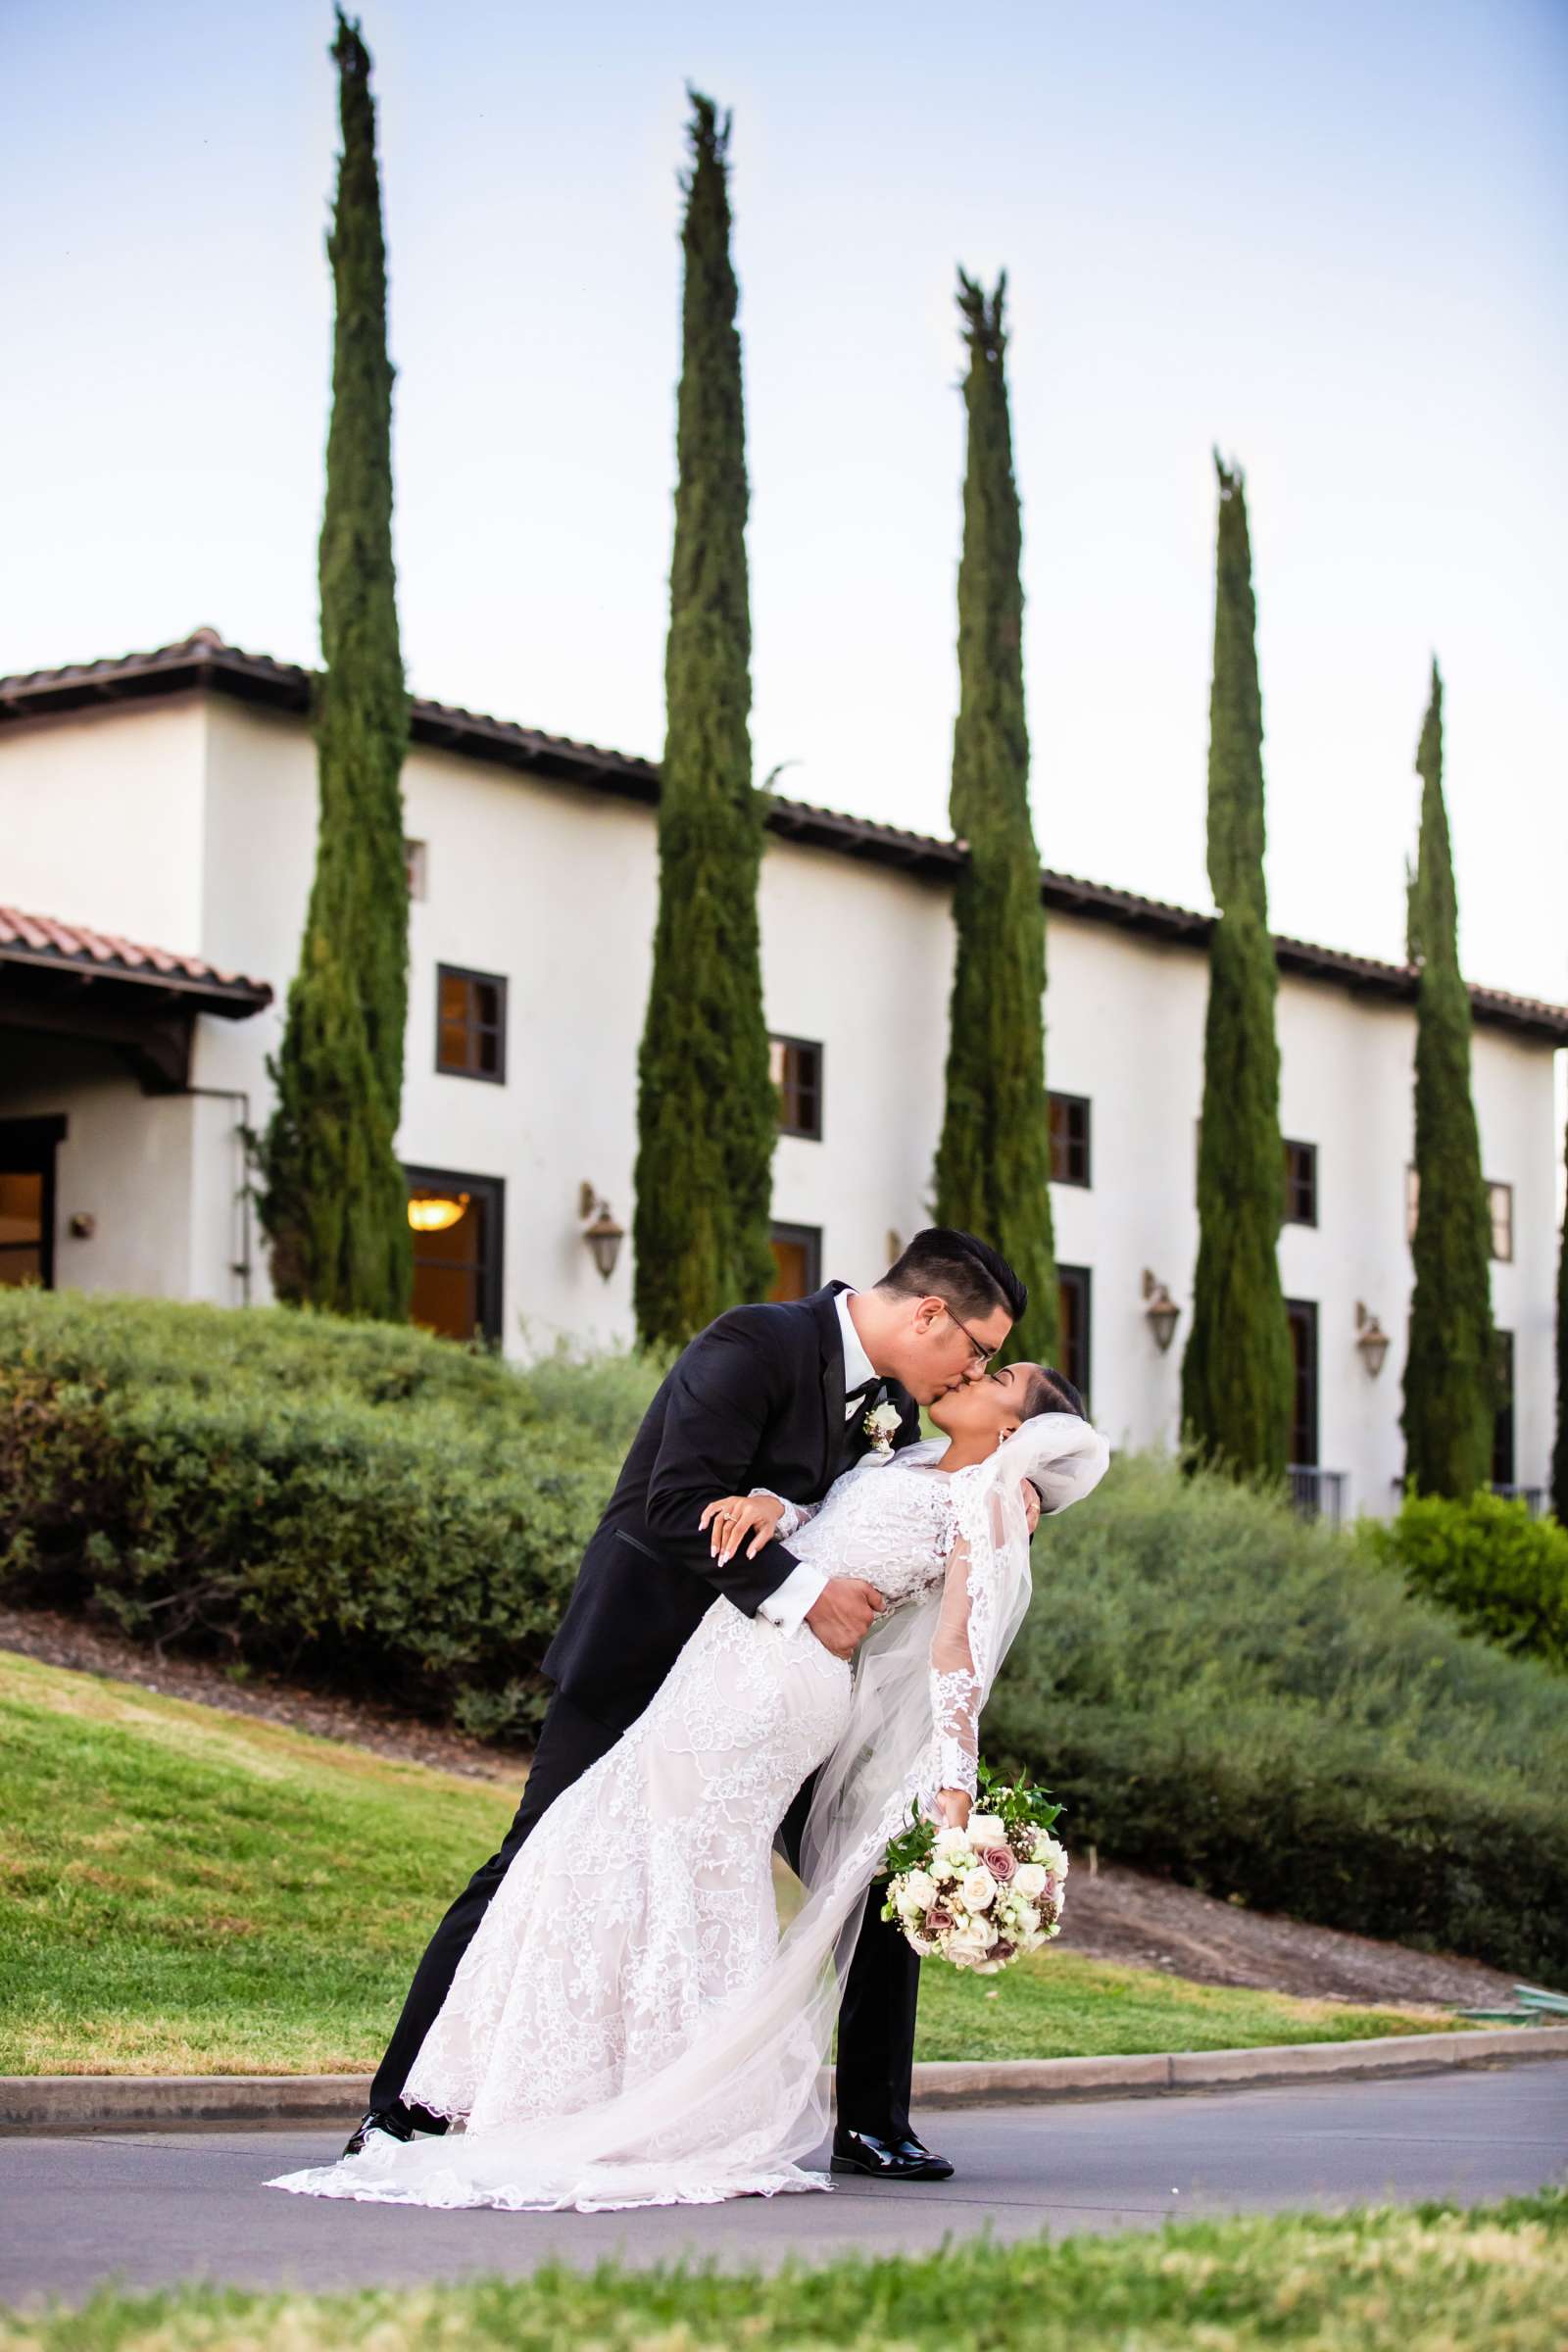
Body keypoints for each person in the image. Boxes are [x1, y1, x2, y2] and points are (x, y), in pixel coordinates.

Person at [269, 1291, 1108, 2215]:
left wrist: (955, 1800)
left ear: (1023, 1433)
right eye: (984, 1351)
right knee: (588, 1849)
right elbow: (759, 1506)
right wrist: (772, 1508)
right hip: (691, 1649)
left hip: (779, 1684)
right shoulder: (805, 1372)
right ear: (930, 1312)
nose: (979, 1370)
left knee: (720, 1861)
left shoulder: (981, 1493)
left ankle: (838, 2118)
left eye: (1001, 1374)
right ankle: (444, 2104)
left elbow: (956, 1655)